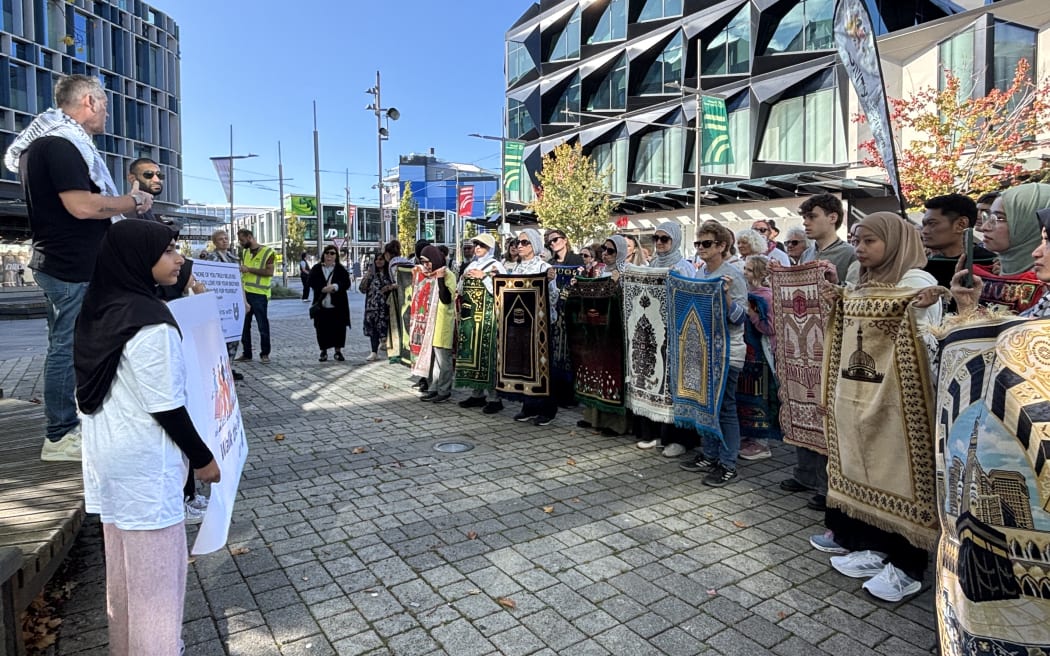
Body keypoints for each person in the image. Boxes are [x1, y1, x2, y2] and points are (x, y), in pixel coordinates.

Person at [73, 219, 220, 655]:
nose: (179, 259)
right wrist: (203, 459)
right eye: (168, 250)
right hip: (146, 466)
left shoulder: (101, 308)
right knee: (158, 585)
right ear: (139, 258)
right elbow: (166, 405)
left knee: (123, 577)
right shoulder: (152, 324)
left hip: (110, 461)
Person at [4, 74, 154, 462]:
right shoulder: (60, 144)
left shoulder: (49, 144)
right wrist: (132, 202)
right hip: (71, 266)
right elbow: (83, 206)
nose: (107, 114)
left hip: (70, 263)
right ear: (88, 102)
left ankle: (73, 423)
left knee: (79, 345)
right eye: (104, 105)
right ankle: (59, 436)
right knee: (67, 348)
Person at [811, 211, 940, 603]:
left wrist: (916, 308)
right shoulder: (867, 281)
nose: (860, 249)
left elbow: (925, 340)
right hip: (866, 395)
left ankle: (908, 569)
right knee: (873, 471)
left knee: (903, 477)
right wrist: (840, 301)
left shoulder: (917, 283)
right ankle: (878, 549)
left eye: (869, 241)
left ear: (894, 242)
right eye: (857, 241)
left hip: (905, 402)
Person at [679, 220, 748, 486]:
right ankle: (710, 455)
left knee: (726, 407)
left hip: (728, 351)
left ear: (721, 246)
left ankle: (728, 464)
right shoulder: (700, 274)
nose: (700, 248)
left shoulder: (733, 275)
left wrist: (727, 296)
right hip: (704, 350)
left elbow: (740, 318)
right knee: (705, 405)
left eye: (706, 243)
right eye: (698, 243)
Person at [636, 222, 695, 457]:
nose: (659, 243)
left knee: (674, 388)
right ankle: (658, 434)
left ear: (676, 240)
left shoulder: (683, 267)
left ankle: (679, 440)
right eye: (656, 238)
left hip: (676, 335)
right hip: (654, 334)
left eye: (664, 239)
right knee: (655, 383)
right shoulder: (652, 264)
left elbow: (689, 299)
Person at [972, 182, 1050, 313]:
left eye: (999, 218)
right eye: (988, 216)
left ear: (1029, 222)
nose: (984, 227)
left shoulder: (1045, 285)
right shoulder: (984, 275)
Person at [509, 229, 559, 425]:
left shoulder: (544, 267)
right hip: (521, 325)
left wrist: (549, 281)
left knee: (543, 366)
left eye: (524, 242)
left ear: (534, 245)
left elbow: (553, 298)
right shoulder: (517, 268)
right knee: (525, 364)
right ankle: (528, 405)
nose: (519, 246)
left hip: (541, 325)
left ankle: (547, 409)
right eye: (518, 242)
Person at [458, 233, 507, 413]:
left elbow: (502, 289)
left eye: (482, 245)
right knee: (473, 355)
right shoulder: (471, 265)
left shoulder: (496, 265)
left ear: (490, 248)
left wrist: (484, 277)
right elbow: (460, 290)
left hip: (488, 317)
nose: (477, 248)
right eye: (476, 244)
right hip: (470, 317)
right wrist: (463, 279)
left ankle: (495, 398)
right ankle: (477, 394)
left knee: (488, 356)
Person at [920, 194, 996, 310]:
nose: (924, 231)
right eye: (924, 225)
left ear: (961, 224)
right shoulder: (923, 268)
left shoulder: (991, 265)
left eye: (932, 223)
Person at [738, 255, 779, 461]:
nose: (745, 273)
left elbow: (770, 327)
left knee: (761, 396)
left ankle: (762, 442)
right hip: (748, 354)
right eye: (745, 269)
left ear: (761, 274)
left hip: (762, 354)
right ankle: (750, 436)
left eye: (749, 270)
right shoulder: (749, 293)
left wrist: (752, 313)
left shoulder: (767, 296)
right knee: (748, 395)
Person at [417, 245, 457, 403]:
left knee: (443, 359)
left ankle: (444, 389)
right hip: (431, 322)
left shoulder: (448, 275)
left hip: (443, 322)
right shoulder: (430, 275)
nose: (426, 265)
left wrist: (440, 278)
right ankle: (434, 387)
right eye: (423, 262)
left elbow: (446, 298)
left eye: (428, 262)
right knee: (434, 359)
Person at [235, 228, 275, 364]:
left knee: (262, 325)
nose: (241, 243)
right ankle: (247, 353)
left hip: (259, 294)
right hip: (245, 293)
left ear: (249, 237)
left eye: (242, 240)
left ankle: (265, 353)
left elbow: (269, 272)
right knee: (244, 325)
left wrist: (249, 269)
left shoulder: (268, 252)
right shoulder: (245, 252)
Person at [799, 193, 856, 283]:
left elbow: (858, 290)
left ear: (833, 218)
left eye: (812, 217)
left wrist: (837, 284)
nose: (805, 222)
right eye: (804, 217)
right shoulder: (806, 254)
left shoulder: (851, 254)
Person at [308, 246, 351, 362]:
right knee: (322, 329)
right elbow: (310, 281)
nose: (329, 256)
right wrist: (321, 288)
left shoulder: (340, 269)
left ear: (336, 256)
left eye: (332, 253)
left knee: (339, 329)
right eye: (327, 253)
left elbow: (346, 283)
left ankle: (338, 351)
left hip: (338, 306)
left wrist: (335, 286)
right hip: (321, 305)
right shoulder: (317, 268)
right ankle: (323, 351)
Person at [361, 251, 394, 362]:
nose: (378, 261)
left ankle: (389, 349)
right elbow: (362, 289)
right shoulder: (371, 274)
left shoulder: (389, 274)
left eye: (381, 259)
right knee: (373, 331)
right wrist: (368, 275)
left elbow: (396, 285)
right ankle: (374, 352)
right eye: (377, 259)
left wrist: (389, 287)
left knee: (386, 329)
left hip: (385, 307)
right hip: (372, 307)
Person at [126, 158, 165, 222]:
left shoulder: (153, 214)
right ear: (132, 178)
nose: (156, 180)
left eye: (159, 175)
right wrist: (134, 201)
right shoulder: (128, 209)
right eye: (148, 175)